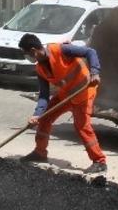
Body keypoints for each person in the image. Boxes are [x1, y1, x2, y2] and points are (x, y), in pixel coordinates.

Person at [17, 33, 107, 175]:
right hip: (66, 95)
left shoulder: (61, 50)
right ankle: (40, 153)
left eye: (27, 54)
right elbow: (44, 96)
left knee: (82, 127)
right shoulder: (40, 69)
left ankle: (99, 161)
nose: (28, 58)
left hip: (83, 94)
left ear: (34, 51)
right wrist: (37, 115)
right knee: (45, 118)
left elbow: (90, 52)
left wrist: (94, 72)